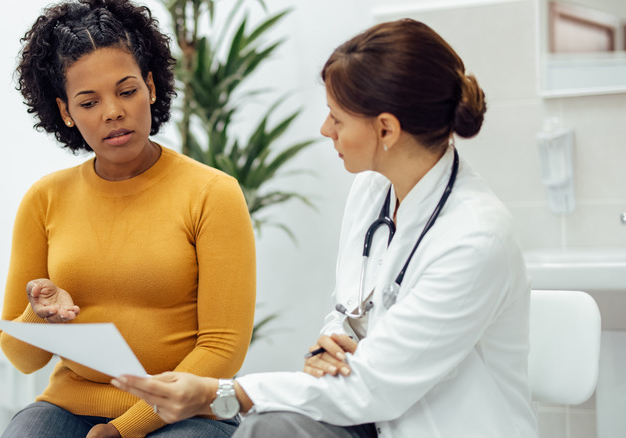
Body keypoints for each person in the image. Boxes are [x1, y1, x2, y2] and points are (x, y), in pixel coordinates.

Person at [112, 18, 539, 438]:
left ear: (386, 128)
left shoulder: (475, 239)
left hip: (435, 425)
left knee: (265, 423)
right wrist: (330, 341)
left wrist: (220, 394)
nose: (324, 130)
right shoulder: (372, 190)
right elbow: (350, 309)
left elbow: (376, 385)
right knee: (270, 429)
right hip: (369, 417)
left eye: (337, 118)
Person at [0, 1, 256, 437]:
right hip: (69, 406)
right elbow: (23, 359)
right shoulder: (44, 199)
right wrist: (38, 317)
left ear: (151, 87)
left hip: (185, 412)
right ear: (65, 112)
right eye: (88, 101)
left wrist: (125, 428)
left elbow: (222, 348)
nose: (112, 112)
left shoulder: (213, 194)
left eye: (127, 90)